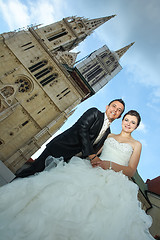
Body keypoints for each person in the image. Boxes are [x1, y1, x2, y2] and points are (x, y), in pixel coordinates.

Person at [0, 110, 154, 240]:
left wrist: (111, 165)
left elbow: (131, 170)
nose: (128, 123)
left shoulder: (136, 145)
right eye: (126, 120)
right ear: (122, 121)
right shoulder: (109, 136)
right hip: (92, 169)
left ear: (136, 126)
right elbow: (94, 153)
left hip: (114, 180)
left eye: (132, 122)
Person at [16, 98, 125, 178]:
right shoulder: (94, 112)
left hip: (70, 161)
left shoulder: (108, 133)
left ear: (119, 116)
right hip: (59, 148)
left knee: (44, 182)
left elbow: (97, 149)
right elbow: (82, 129)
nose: (115, 110)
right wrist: (91, 154)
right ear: (107, 107)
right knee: (32, 172)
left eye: (119, 110)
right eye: (114, 106)